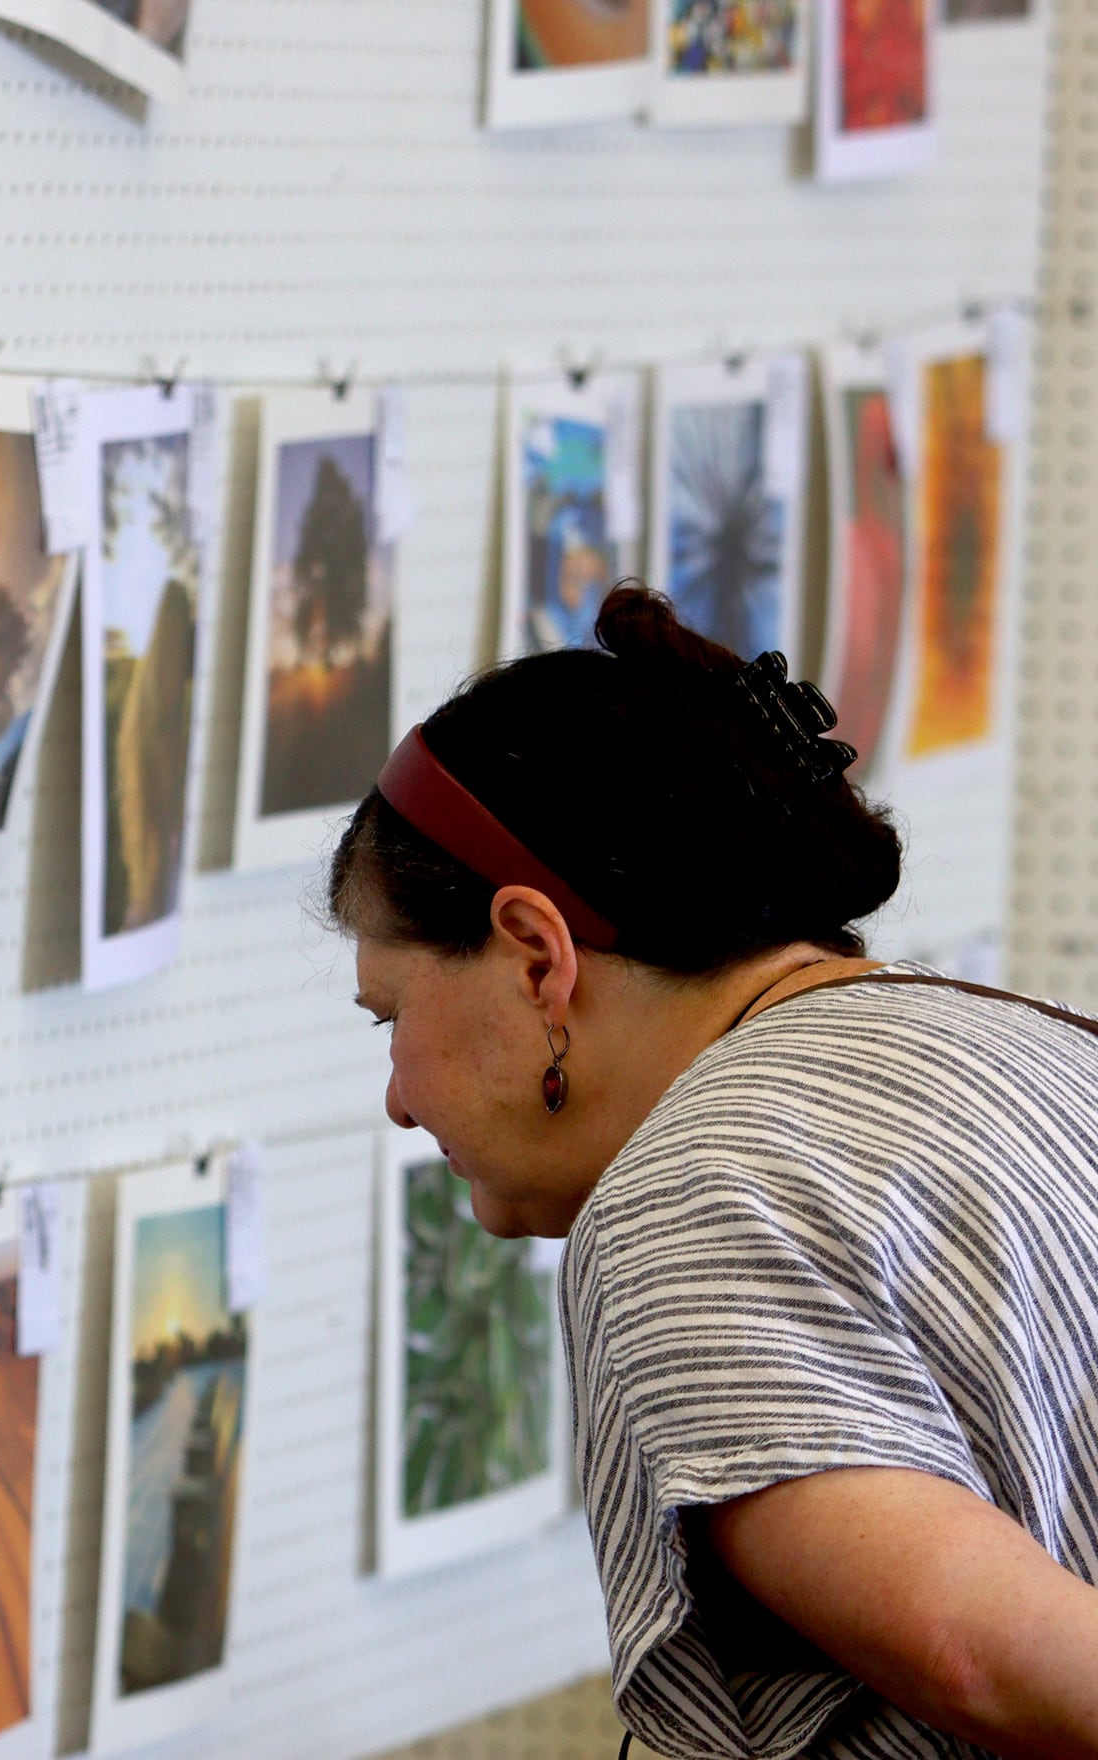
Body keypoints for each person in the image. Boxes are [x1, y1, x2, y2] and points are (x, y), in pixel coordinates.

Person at [328, 584, 1098, 1759]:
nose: (397, 1098)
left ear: (537, 956)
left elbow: (976, 1653)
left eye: (390, 1015)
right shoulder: (1032, 1041)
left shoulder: (689, 1194)